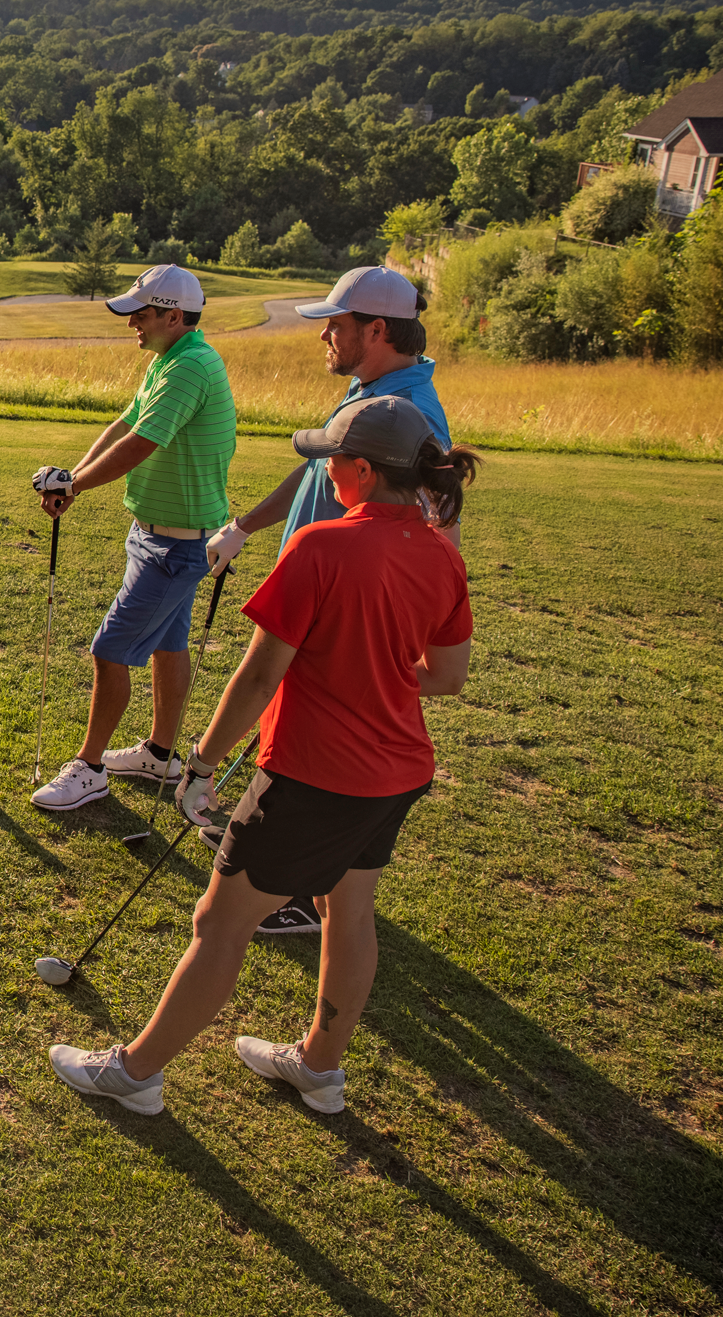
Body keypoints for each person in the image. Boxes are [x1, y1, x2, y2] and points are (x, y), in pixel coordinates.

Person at [46, 396, 479, 1116]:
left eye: (332, 458)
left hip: (314, 777)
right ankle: (318, 1067)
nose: (326, 469)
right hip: (396, 775)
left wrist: (203, 763)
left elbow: (257, 675)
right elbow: (448, 675)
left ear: (363, 471)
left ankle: (135, 1074)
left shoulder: (321, 546)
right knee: (350, 911)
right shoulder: (441, 550)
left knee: (221, 921)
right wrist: (367, 670)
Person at [205, 264, 450, 938]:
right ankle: (277, 859)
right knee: (281, 735)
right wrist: (246, 526)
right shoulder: (369, 388)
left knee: (309, 755)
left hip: (340, 609)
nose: (324, 337)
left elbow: (425, 538)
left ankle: (286, 886)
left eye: (335, 325)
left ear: (376, 329)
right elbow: (316, 463)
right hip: (314, 592)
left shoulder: (412, 415)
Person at [28, 263, 237, 813]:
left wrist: (75, 485)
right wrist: (70, 476)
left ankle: (90, 768)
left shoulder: (190, 366)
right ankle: (161, 755)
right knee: (169, 645)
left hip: (176, 545)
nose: (132, 325)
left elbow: (141, 444)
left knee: (110, 649)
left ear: (173, 315)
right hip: (158, 535)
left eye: (140, 314)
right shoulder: (171, 360)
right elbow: (125, 423)